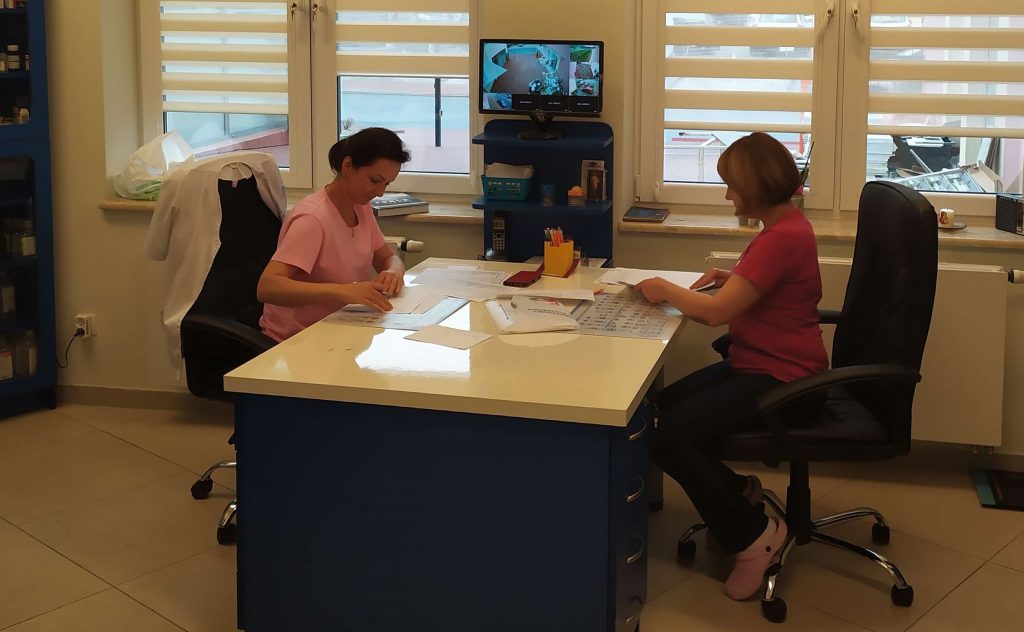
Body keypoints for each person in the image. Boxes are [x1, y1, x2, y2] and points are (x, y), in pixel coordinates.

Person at [635, 132, 828, 601]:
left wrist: (663, 287)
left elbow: (714, 314)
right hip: (761, 363)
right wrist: (736, 277)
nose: (728, 196)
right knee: (658, 412)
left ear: (756, 188)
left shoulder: (780, 239)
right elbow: (763, 286)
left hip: (785, 381)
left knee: (669, 436)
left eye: (733, 186)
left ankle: (756, 539)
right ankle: (739, 493)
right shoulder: (787, 225)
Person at [258, 127, 410, 342]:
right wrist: (342, 292)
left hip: (338, 329)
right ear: (347, 166)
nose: (380, 192)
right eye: (375, 180)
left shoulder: (361, 207)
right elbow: (268, 287)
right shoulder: (313, 219)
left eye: (386, 183)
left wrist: (394, 271)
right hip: (296, 340)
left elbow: (387, 257)